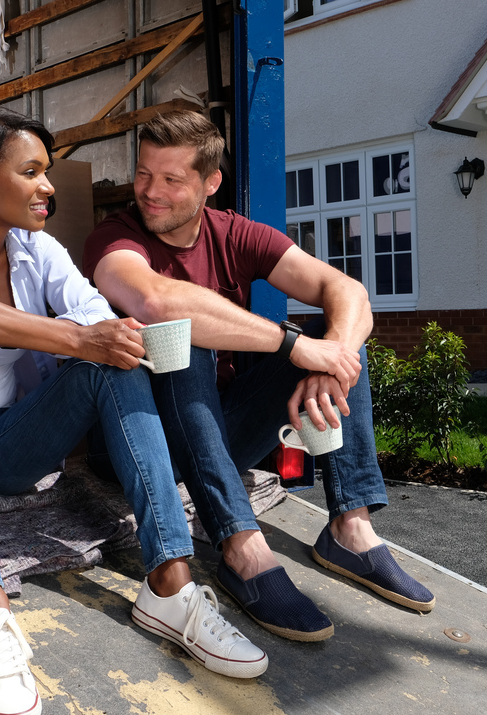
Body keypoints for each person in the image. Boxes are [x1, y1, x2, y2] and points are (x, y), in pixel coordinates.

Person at [0, 105, 267, 715]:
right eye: (31, 172)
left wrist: (117, 338)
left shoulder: (37, 251)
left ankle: (171, 583)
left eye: (47, 171)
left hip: (2, 446)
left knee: (111, 361)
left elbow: (95, 314)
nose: (49, 186)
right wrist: (76, 338)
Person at [83, 110, 434, 643]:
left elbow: (350, 291)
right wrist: (294, 346)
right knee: (185, 336)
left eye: (171, 179)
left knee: (339, 337)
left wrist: (329, 355)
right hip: (137, 441)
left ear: (210, 183)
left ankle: (351, 527)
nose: (150, 192)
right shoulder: (115, 236)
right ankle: (241, 546)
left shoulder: (233, 234)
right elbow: (154, 300)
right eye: (143, 174)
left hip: (217, 432)